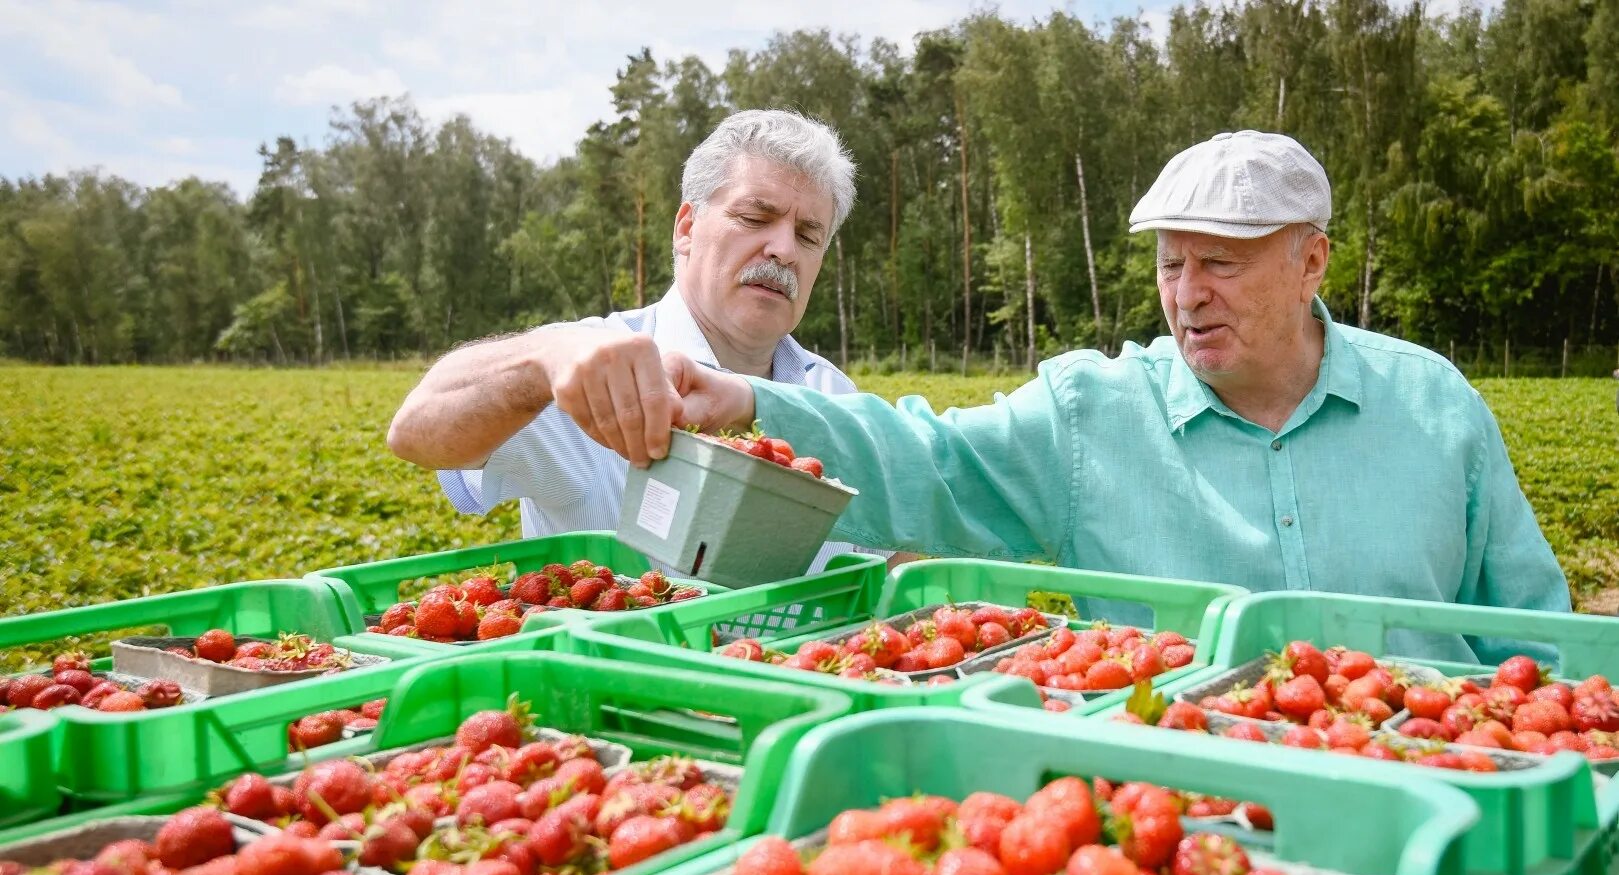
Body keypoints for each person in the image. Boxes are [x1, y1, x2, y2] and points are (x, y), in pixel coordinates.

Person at [545, 130, 1572, 660]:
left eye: (1220, 262)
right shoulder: (1094, 414)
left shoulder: (1433, 408)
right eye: (1170, 265)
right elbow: (929, 459)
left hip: (1442, 792)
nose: (1186, 295)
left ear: (1312, 263)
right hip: (1184, 815)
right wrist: (755, 405)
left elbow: (1535, 635)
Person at [388, 109, 889, 571]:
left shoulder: (833, 395)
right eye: (755, 218)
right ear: (687, 228)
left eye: (807, 235)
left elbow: (892, 559)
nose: (782, 249)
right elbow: (415, 432)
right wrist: (539, 360)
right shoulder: (592, 364)